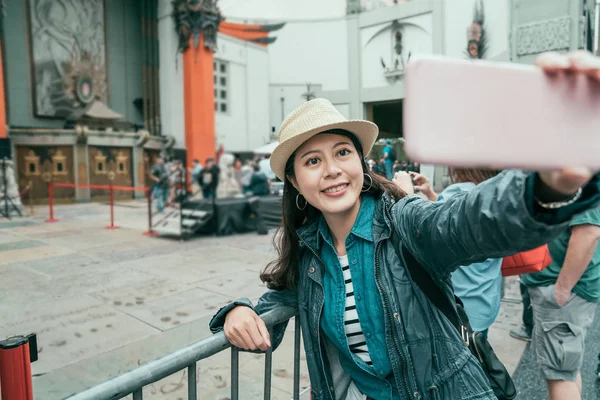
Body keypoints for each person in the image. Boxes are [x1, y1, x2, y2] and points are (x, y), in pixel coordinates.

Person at [209, 53, 600, 400]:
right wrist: (237, 312)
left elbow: (471, 221)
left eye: (342, 152)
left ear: (361, 163)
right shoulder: (310, 252)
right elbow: (279, 300)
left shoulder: (404, 221)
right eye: (312, 161)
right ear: (294, 181)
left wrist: (546, 186)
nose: (332, 170)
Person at [398, 169, 503, 339]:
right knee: (482, 352)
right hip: (486, 302)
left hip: (461, 307)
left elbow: (424, 236)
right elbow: (455, 223)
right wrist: (431, 194)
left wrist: (405, 196)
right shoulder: (498, 193)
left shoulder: (459, 192)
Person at [520, 207, 600, 400]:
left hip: (564, 292)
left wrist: (561, 290)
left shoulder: (582, 179)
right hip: (563, 289)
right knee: (566, 371)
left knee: (560, 376)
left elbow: (589, 233)